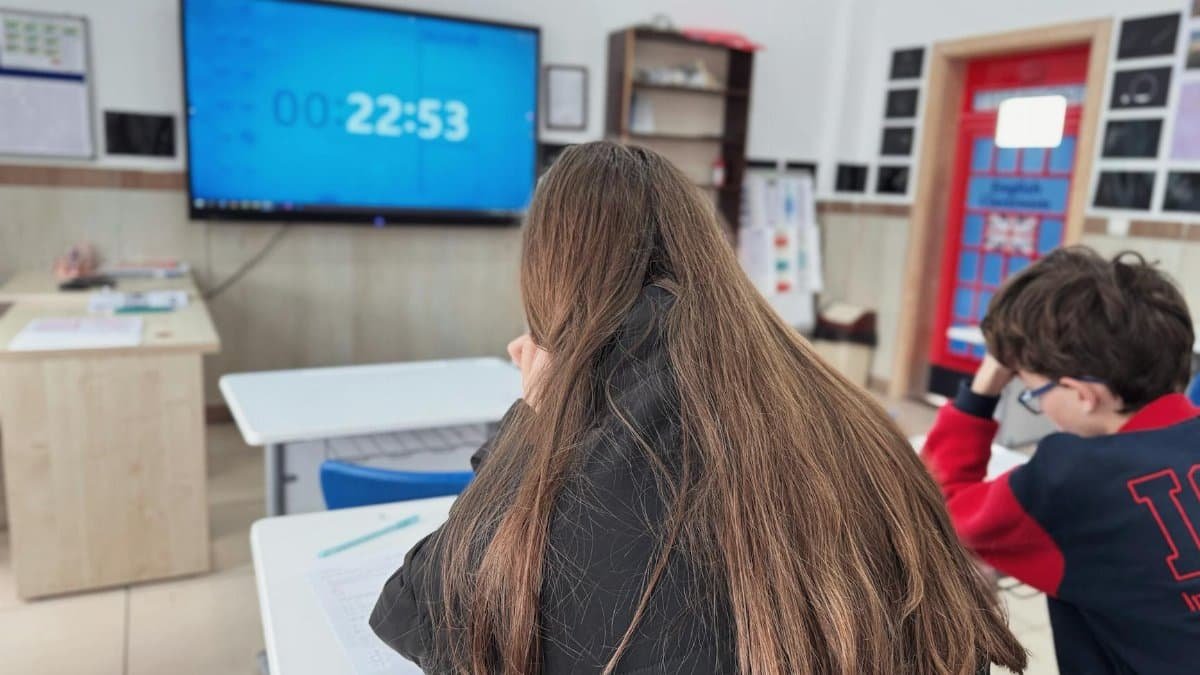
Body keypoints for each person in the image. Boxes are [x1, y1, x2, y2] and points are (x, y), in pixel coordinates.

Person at [371, 141, 1026, 674]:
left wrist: (535, 414)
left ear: (549, 276)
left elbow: (414, 609)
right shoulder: (844, 407)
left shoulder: (567, 459)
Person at [922, 247, 1200, 674]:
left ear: (1083, 396)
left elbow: (935, 511)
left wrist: (982, 391)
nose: (1036, 403)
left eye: (1032, 393)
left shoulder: (1070, 479)